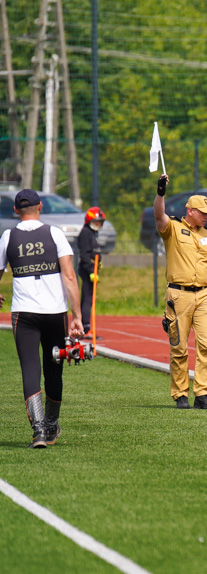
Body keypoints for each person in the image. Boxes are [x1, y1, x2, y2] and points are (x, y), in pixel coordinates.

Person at [0, 189, 84, 448]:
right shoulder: (54, 233)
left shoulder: (7, 236)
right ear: (39, 207)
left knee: (30, 369)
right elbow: (69, 277)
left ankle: (38, 431)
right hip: (54, 313)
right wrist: (77, 316)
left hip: (24, 314)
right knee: (54, 369)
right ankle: (50, 426)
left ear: (16, 210)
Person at [154, 174, 207, 410]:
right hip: (179, 296)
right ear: (190, 211)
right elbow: (158, 215)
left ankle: (203, 394)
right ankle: (180, 394)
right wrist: (161, 192)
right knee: (179, 347)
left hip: (205, 296)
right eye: (203, 212)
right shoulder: (173, 228)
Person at [77, 206, 105, 338]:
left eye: (100, 222)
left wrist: (98, 263)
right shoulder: (85, 233)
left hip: (92, 269)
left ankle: (84, 326)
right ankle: (86, 328)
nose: (97, 224)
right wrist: (90, 271)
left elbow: (94, 252)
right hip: (87, 270)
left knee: (88, 298)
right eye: (95, 222)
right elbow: (84, 254)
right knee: (87, 299)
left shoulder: (93, 233)